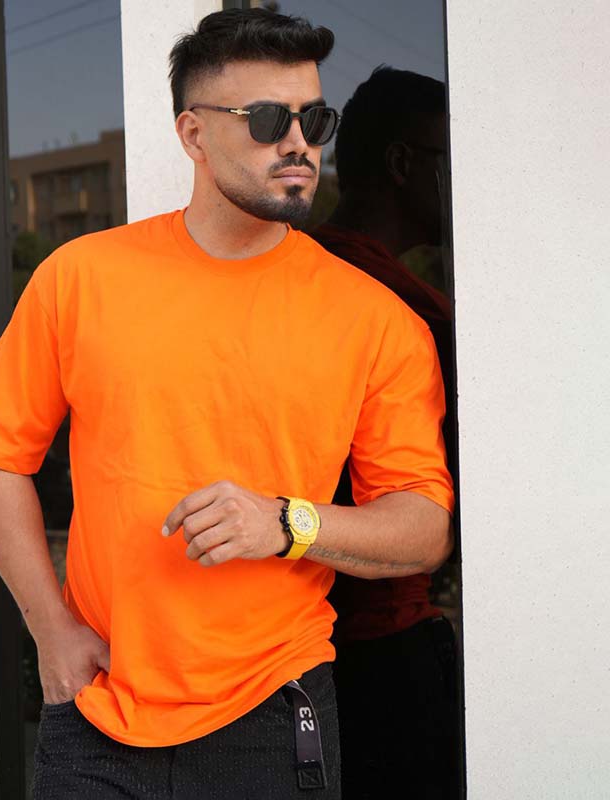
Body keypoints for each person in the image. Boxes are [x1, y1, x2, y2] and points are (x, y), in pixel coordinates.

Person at [0, 12, 453, 800]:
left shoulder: (375, 319)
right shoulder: (81, 279)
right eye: (268, 119)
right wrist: (51, 630)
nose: (299, 143)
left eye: (315, 120)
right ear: (193, 133)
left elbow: (423, 527)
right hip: (98, 707)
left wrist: (288, 523)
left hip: (271, 710)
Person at [312, 66, 462, 799]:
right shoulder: (409, 310)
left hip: (306, 638)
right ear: (404, 163)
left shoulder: (294, 275)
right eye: (450, 159)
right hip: (385, 635)